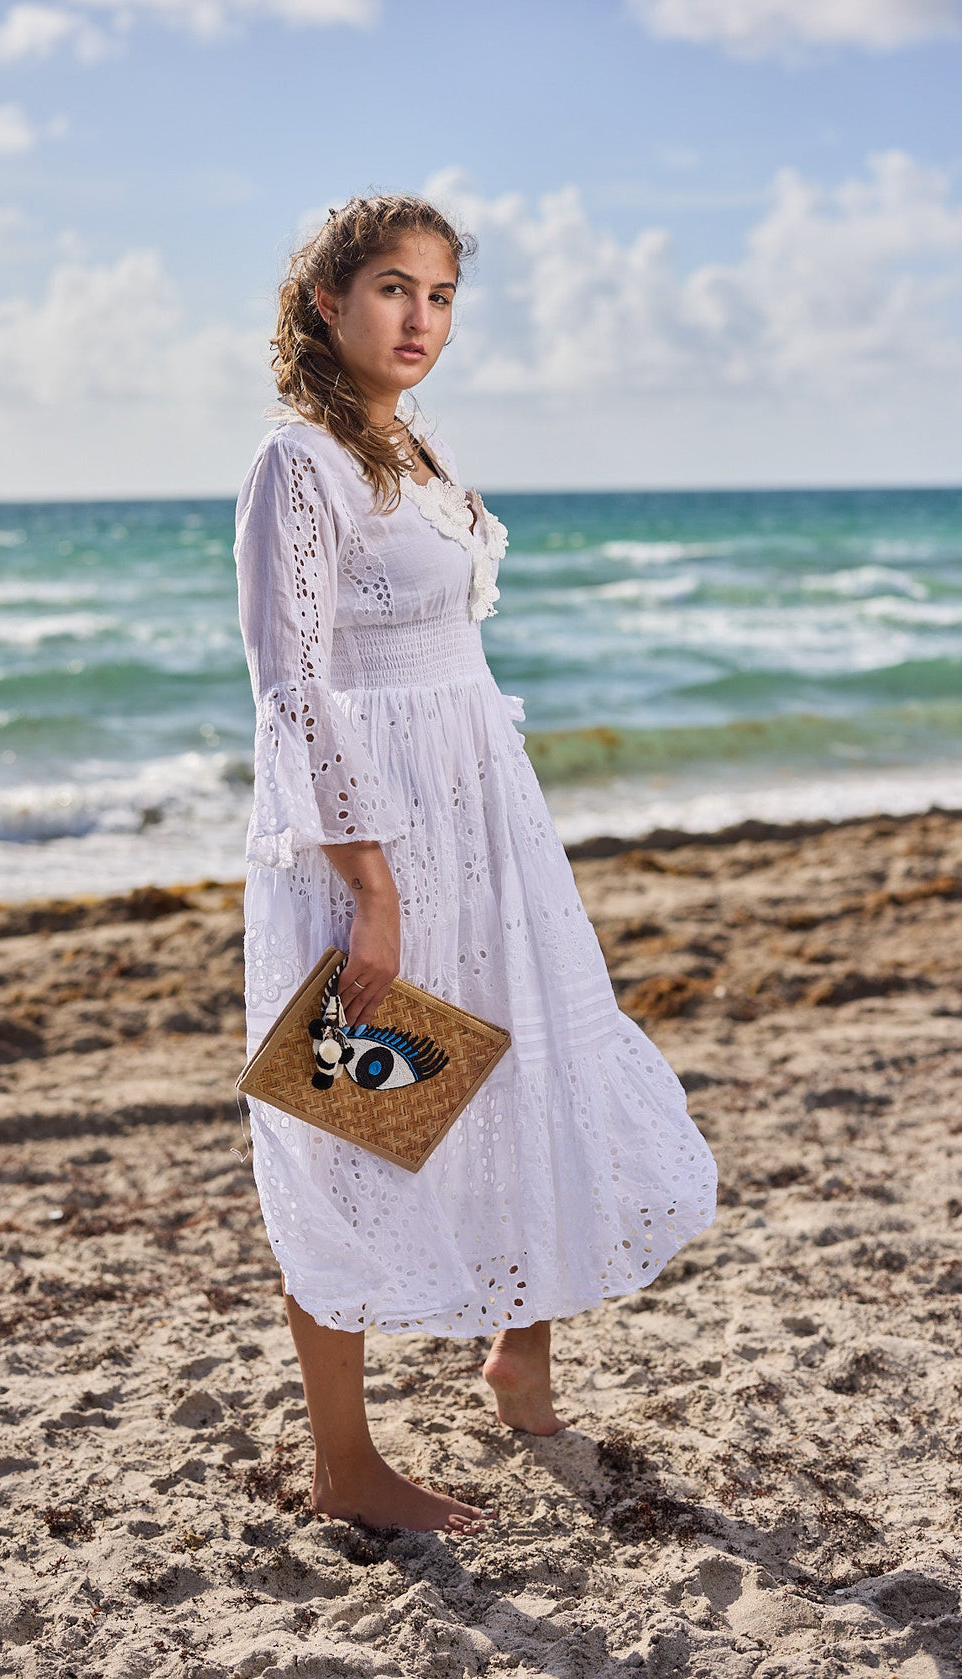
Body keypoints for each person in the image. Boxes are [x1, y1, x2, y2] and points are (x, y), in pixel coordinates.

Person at [233, 192, 717, 1537]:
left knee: (523, 1065)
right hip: (368, 840)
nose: (420, 321)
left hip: (480, 817)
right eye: (394, 290)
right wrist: (373, 887)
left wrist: (488, 822)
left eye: (442, 297)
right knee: (356, 1122)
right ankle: (346, 1461)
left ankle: (522, 1355)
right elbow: (299, 693)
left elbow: (448, 667)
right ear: (327, 303)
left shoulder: (422, 456)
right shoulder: (300, 469)